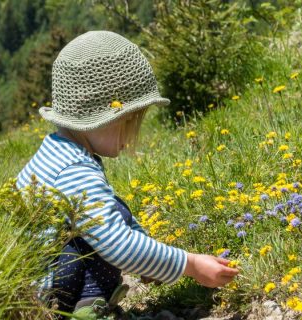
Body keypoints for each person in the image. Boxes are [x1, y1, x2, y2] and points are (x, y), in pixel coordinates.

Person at [16, 30, 239, 319]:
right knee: (99, 234)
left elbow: (112, 218)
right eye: (132, 123)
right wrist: (190, 264)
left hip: (40, 281)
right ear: (109, 118)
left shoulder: (58, 151)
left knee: (113, 209)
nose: (132, 138)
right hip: (47, 295)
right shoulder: (75, 172)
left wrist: (150, 260)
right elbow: (117, 244)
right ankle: (86, 311)